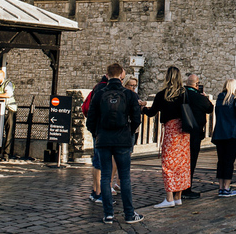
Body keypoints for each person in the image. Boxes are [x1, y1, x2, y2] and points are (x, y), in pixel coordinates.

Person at [85, 63, 144, 224]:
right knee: (124, 177)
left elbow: (90, 119)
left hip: (103, 139)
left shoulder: (99, 93)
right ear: (121, 76)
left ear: (107, 74)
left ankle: (108, 214)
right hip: (122, 139)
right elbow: (137, 118)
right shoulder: (128, 94)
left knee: (105, 177)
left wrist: (97, 133)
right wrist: (129, 131)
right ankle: (129, 214)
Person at [142, 66, 191, 208]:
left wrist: (142, 108)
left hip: (171, 131)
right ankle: (178, 196)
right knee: (182, 164)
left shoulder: (162, 94)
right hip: (183, 132)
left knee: (168, 164)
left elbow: (151, 113)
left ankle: (169, 198)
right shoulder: (184, 94)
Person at [211, 78, 236, 196]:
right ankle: (226, 187)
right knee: (229, 161)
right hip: (231, 133)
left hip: (219, 133)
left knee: (221, 161)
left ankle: (221, 187)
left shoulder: (220, 99)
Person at [182, 73, 213, 199]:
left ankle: (177, 187)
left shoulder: (181, 94)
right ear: (196, 84)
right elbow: (210, 108)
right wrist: (204, 97)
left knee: (180, 161)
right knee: (191, 161)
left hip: (180, 131)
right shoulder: (198, 97)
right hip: (194, 132)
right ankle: (186, 188)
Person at [86, 73, 109, 203]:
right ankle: (99, 193)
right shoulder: (103, 90)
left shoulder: (97, 88)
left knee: (97, 162)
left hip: (97, 130)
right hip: (102, 131)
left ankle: (95, 191)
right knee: (101, 163)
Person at [0, 69, 17, 161]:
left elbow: (8, 94)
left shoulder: (8, 83)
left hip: (9, 109)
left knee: (8, 132)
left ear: (2, 76)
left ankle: (6, 154)